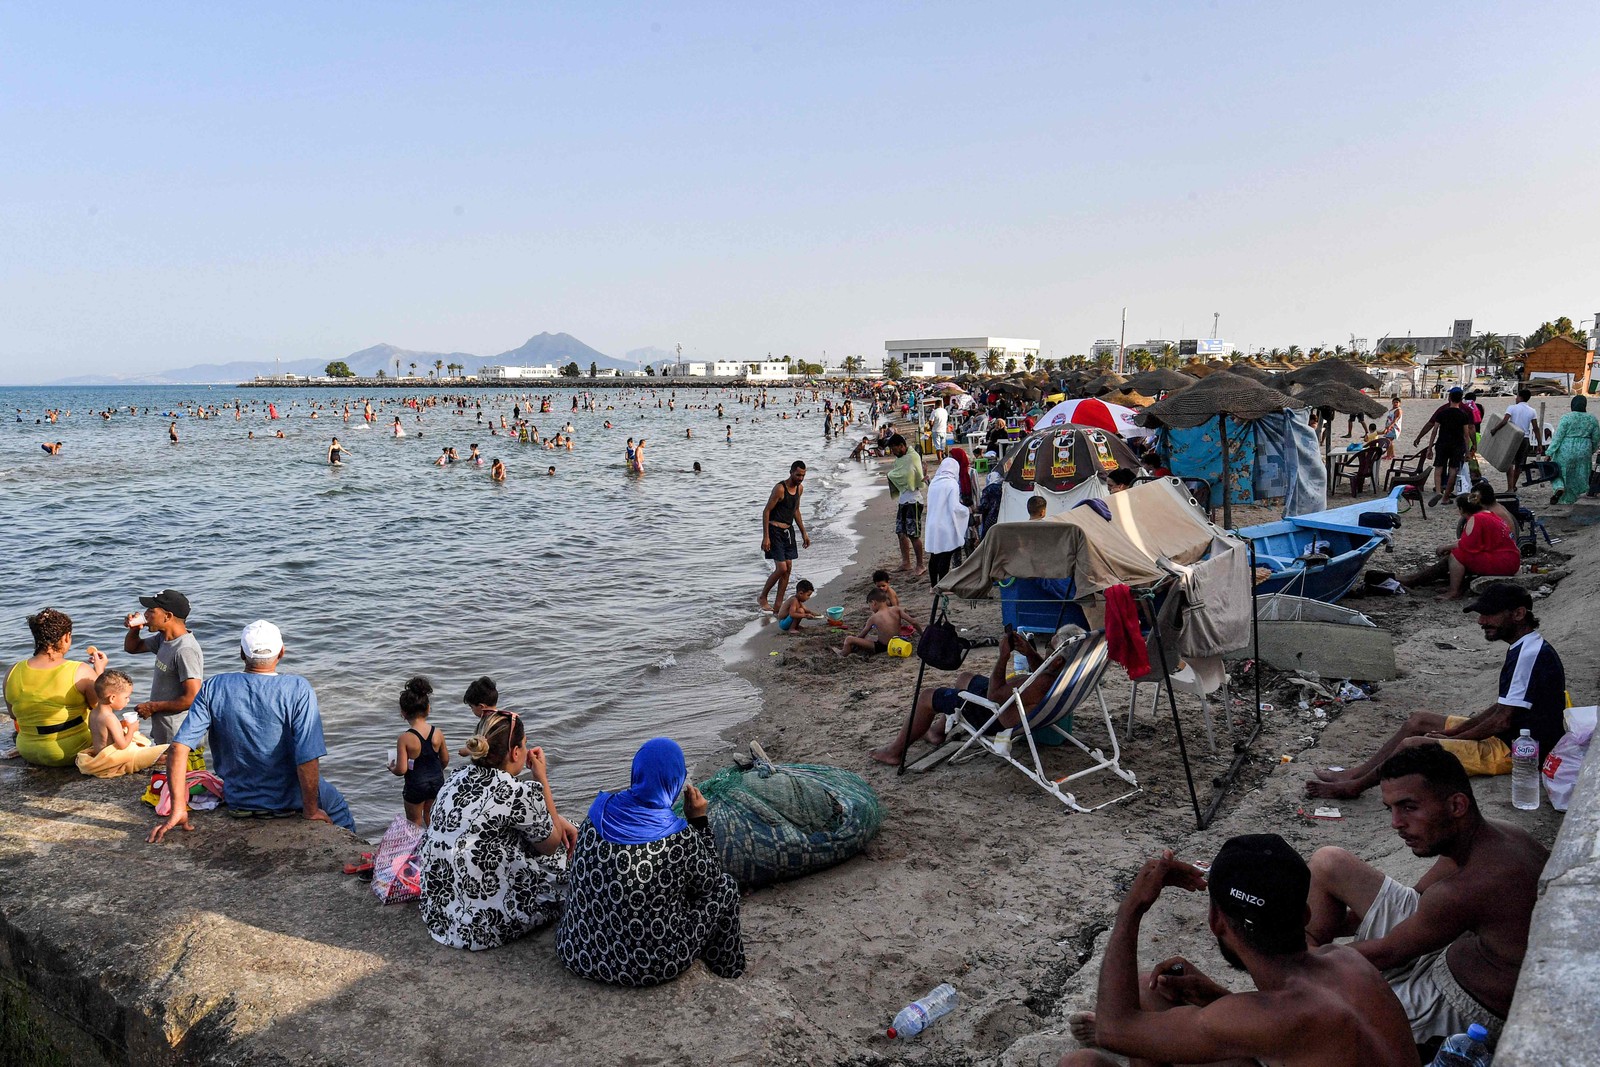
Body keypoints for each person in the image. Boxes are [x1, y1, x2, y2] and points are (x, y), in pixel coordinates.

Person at [1061, 836, 1415, 1067]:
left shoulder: (1267, 1017)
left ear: (1217, 921)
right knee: (1147, 989)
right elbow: (1295, 1027)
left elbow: (1113, 1028)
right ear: (1305, 915)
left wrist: (1132, 908)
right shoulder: (1346, 961)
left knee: (1081, 1065)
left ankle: (1148, 1046)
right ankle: (1151, 1045)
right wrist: (1214, 994)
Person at [1306, 743, 1550, 1048]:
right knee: (1330, 862)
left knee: (1324, 1025)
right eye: (1391, 809)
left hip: (1454, 1005)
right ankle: (1304, 953)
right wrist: (1321, 938)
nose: (1396, 823)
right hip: (1439, 948)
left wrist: (1299, 959)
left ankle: (1297, 970)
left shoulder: (1471, 886)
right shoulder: (1496, 833)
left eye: (1409, 807)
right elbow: (1418, 899)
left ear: (1457, 805)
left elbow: (1388, 953)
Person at [1307, 582, 1563, 799]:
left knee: (1413, 744)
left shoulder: (1528, 655)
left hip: (1517, 751)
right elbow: (1500, 708)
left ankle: (1356, 787)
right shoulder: (1524, 646)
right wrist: (1454, 731)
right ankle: (1355, 772)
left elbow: (1501, 720)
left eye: (1490, 614)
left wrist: (1452, 740)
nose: (1481, 621)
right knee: (1419, 720)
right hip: (1508, 735)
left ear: (1518, 614)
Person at [556, 737, 744, 986]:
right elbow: (711, 882)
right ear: (675, 780)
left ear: (637, 772)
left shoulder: (597, 813)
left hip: (578, 952)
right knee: (726, 887)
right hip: (649, 966)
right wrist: (698, 821)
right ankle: (730, 969)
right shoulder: (680, 838)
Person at [147, 620, 354, 840]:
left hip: (239, 800)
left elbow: (179, 748)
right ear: (281, 652)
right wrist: (311, 810)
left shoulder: (214, 686)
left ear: (242, 654)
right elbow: (307, 756)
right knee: (339, 809)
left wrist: (178, 808)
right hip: (288, 800)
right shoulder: (298, 688)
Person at [417, 710, 576, 950]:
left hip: (440, 918)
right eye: (523, 744)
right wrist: (541, 777)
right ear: (515, 753)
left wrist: (558, 819)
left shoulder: (455, 777)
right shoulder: (517, 792)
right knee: (567, 862)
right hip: (483, 927)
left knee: (535, 832)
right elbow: (550, 844)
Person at [869, 628, 1061, 765]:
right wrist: (1029, 652)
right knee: (964, 678)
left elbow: (994, 695)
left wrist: (1003, 657)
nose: (1046, 652)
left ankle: (894, 752)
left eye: (1050, 650)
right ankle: (937, 732)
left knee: (927, 696)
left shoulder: (1043, 683)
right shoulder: (1062, 675)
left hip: (995, 715)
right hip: (1011, 703)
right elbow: (1044, 671)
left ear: (1058, 659)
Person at [4, 607, 105, 767]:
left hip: (27, 750)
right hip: (68, 751)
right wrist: (99, 673)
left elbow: (13, 715)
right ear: (66, 637)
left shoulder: (12, 671)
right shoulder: (80, 671)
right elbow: (102, 709)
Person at [1390, 495, 1519, 599]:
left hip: (1502, 562)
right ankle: (1417, 579)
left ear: (1462, 509)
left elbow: (1467, 545)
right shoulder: (1490, 515)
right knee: (1454, 555)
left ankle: (1453, 591)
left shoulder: (1477, 519)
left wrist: (1446, 546)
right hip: (1510, 559)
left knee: (1457, 555)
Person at [122, 589, 203, 745]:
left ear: (168, 616)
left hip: (181, 737)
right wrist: (134, 629)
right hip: (166, 732)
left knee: (181, 770)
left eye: (151, 611)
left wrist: (152, 707)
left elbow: (192, 697)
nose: (145, 615)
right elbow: (132, 648)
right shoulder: (164, 639)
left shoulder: (185, 650)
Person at [76, 670, 169, 778]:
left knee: (135, 741)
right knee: (140, 749)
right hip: (111, 760)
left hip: (100, 755)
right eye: (126, 697)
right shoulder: (110, 718)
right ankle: (158, 758)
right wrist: (131, 729)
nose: (128, 700)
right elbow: (122, 745)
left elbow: (101, 731)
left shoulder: (94, 712)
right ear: (112, 698)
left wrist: (120, 725)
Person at [390, 676, 448, 827]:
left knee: (414, 822)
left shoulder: (405, 738)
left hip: (416, 785)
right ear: (428, 708)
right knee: (431, 817)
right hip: (436, 781)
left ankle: (415, 849)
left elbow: (402, 769)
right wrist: (436, 770)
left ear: (403, 713)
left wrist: (392, 768)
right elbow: (445, 760)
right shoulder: (437, 733)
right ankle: (432, 847)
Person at [757, 460, 811, 613]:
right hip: (774, 531)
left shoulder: (800, 489)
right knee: (781, 568)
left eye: (803, 475)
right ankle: (763, 597)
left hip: (788, 532)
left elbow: (796, 511)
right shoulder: (780, 489)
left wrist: (804, 533)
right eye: (798, 475)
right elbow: (766, 511)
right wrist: (765, 537)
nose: (800, 478)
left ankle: (778, 606)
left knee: (788, 569)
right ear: (791, 472)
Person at [1413, 387, 1474, 503]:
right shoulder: (1464, 413)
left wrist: (1429, 447)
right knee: (1453, 470)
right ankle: (1446, 497)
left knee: (1439, 468)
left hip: (1442, 443)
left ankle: (1438, 492)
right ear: (1461, 399)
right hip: (1457, 445)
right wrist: (1468, 451)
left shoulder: (1442, 412)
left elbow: (1434, 430)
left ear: (1449, 398)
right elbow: (1467, 434)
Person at [924, 454, 972, 588]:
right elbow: (954, 506)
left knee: (934, 556)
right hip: (945, 524)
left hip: (932, 523)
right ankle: (943, 585)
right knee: (945, 555)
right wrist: (966, 510)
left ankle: (933, 586)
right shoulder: (952, 484)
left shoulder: (934, 482)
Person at [1543, 394, 1600, 504]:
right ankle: (1571, 499)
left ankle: (1559, 487)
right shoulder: (1592, 419)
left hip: (1566, 448)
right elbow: (1596, 438)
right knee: (1577, 475)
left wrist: (1549, 452)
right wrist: (1591, 450)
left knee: (1557, 470)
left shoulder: (1567, 417)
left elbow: (1558, 436)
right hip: (1584, 448)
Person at [837, 588, 922, 660]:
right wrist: (922, 634)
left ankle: (842, 654)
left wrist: (856, 641)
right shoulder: (897, 609)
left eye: (870, 606)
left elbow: (862, 635)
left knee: (849, 639)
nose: (871, 608)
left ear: (873, 603)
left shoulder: (874, 618)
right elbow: (914, 622)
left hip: (882, 647)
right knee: (869, 637)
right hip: (897, 642)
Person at [885, 434, 927, 575]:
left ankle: (920, 565)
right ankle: (906, 562)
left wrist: (891, 475)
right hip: (903, 500)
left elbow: (909, 475)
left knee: (913, 534)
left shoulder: (912, 457)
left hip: (914, 500)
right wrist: (893, 474)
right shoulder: (900, 459)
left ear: (901, 446)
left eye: (894, 449)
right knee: (901, 533)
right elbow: (899, 473)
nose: (893, 452)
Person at [1490, 389, 1541, 492]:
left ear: (1520, 397)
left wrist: (1494, 429)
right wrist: (1539, 443)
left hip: (1513, 438)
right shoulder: (1532, 411)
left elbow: (1504, 421)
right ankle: (1513, 486)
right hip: (1525, 438)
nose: (1516, 398)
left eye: (1517, 396)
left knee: (1509, 462)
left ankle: (1509, 487)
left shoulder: (1512, 408)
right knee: (1519, 465)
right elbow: (1535, 428)